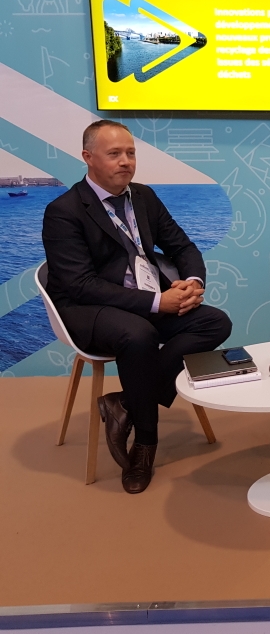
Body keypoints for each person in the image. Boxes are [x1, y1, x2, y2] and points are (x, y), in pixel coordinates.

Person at [42, 120, 232, 494]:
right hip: (87, 308)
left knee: (214, 322)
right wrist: (159, 301)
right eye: (114, 153)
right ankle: (145, 444)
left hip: (144, 301)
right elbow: (81, 285)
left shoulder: (143, 197)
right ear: (88, 157)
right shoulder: (63, 211)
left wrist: (192, 283)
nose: (126, 161)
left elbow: (183, 247)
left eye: (130, 153)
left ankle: (127, 402)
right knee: (139, 334)